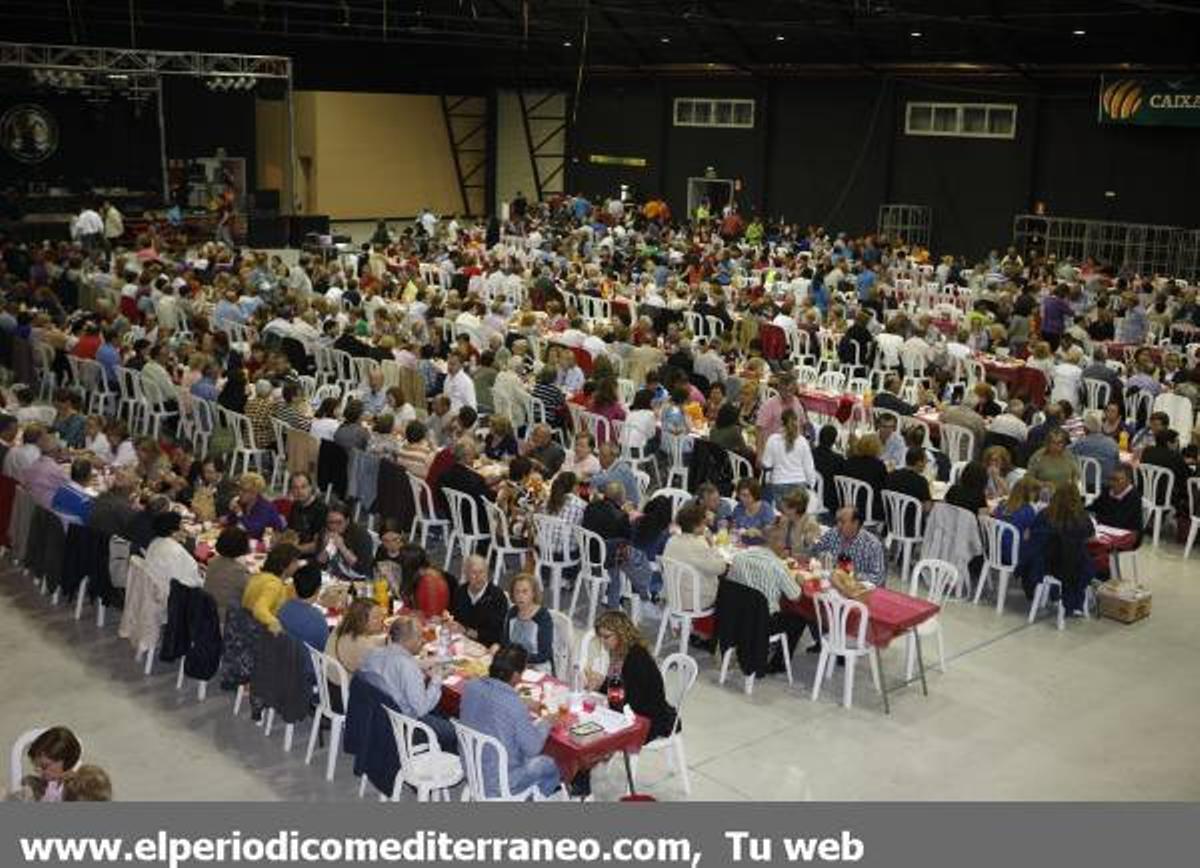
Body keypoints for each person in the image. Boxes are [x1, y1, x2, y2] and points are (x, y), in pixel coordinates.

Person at [459, 644, 561, 798]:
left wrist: (522, 703)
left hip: (472, 768)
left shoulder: (471, 685)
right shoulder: (513, 704)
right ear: (514, 676)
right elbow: (533, 748)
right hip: (500, 780)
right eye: (522, 671)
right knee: (548, 764)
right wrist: (546, 721)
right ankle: (530, 799)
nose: (522, 676)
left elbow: (491, 704)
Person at [358, 617, 456, 751]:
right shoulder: (408, 667)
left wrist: (426, 663)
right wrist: (437, 678)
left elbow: (394, 665)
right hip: (406, 726)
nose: (423, 641)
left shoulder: (374, 653)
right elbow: (421, 709)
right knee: (456, 733)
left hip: (378, 717)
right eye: (420, 637)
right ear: (409, 640)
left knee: (440, 712)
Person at [585, 610, 677, 742]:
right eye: (600, 636)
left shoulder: (636, 658)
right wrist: (600, 683)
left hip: (647, 719)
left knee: (595, 731)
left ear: (620, 634)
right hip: (635, 708)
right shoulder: (621, 651)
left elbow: (630, 700)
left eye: (606, 637)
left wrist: (602, 685)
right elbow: (620, 688)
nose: (602, 641)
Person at [726, 525, 810, 664]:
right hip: (762, 621)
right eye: (783, 542)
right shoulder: (777, 565)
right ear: (775, 542)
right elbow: (795, 597)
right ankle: (777, 663)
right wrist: (799, 582)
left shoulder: (739, 557)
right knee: (799, 619)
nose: (786, 546)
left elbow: (730, 583)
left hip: (737, 617)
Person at [1025, 483, 1096, 616]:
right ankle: (1079, 600)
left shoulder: (1045, 514)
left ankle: (1054, 594)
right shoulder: (1082, 517)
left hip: (1048, 564)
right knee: (1087, 558)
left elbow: (1029, 535)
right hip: (1075, 565)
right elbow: (1091, 539)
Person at [662, 502, 728, 607]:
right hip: (694, 600)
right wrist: (713, 546)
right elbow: (721, 568)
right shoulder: (698, 545)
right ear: (696, 526)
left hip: (672, 595)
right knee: (727, 588)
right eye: (704, 523)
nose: (706, 526)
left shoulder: (672, 540)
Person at [809, 507, 886, 586]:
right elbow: (815, 550)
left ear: (855, 523)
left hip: (858, 589)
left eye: (842, 522)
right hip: (834, 584)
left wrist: (855, 575)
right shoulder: (833, 533)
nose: (838, 525)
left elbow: (878, 578)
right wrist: (811, 540)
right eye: (838, 521)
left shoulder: (872, 545)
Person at [277, 562, 330, 672]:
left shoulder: (282, 609)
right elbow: (326, 650)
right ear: (318, 589)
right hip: (309, 673)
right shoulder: (318, 619)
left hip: (282, 666)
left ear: (294, 587)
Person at [448, 554, 508, 647]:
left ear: (487, 573)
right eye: (474, 573)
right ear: (466, 574)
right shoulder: (460, 592)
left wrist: (468, 631)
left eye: (482, 572)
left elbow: (498, 634)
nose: (478, 577)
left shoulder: (497, 597)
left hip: (487, 647)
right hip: (461, 643)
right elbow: (453, 616)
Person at [243, 543, 302, 633]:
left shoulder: (260, 577)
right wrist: (279, 628)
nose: (298, 565)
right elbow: (259, 609)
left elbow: (278, 594)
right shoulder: (274, 584)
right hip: (261, 633)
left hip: (248, 627)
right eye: (295, 562)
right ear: (284, 565)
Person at [761, 408, 817, 503]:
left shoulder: (773, 439)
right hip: (799, 484)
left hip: (778, 483)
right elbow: (809, 467)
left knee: (782, 513)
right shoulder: (803, 441)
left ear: (781, 422)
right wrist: (811, 485)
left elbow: (767, 464)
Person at [11, 726, 81, 801]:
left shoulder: (78, 788)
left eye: (44, 767)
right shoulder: (33, 786)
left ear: (66, 761)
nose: (39, 772)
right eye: (36, 766)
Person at [502, 573, 554, 672]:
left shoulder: (543, 617)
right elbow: (505, 641)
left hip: (538, 666)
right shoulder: (512, 612)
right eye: (517, 592)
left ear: (533, 593)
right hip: (513, 663)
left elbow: (544, 654)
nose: (520, 596)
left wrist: (520, 659)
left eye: (525, 592)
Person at [324, 598, 386, 675]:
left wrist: (385, 639)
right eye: (375, 618)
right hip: (344, 683)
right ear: (361, 620)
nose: (382, 619)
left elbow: (370, 640)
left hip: (329, 676)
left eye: (381, 615)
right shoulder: (365, 646)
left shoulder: (342, 627)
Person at [143, 511, 204, 589]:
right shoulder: (175, 550)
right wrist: (201, 574)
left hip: (156, 587)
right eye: (181, 525)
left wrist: (193, 566)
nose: (184, 528)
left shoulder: (155, 542)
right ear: (173, 531)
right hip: (172, 593)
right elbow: (192, 583)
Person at [316, 500, 375, 580]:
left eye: (339, 522)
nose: (334, 526)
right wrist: (325, 547)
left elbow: (362, 569)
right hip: (335, 577)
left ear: (347, 521)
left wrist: (342, 547)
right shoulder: (325, 532)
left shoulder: (361, 536)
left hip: (359, 579)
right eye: (331, 522)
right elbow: (320, 563)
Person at [1087, 464, 1143, 549]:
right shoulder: (1108, 490)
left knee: (1091, 544)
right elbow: (1095, 506)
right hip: (1106, 529)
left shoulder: (1134, 497)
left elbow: (1119, 521)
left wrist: (1096, 518)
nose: (1112, 483)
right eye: (1111, 479)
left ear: (1128, 481)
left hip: (1127, 535)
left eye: (1116, 480)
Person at [204, 526, 252, 616]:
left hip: (207, 612)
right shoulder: (239, 572)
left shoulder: (212, 562)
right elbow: (250, 596)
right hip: (226, 618)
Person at [884, 447, 933, 534]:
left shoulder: (891, 475)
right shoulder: (921, 481)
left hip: (891, 523)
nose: (926, 464)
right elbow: (927, 508)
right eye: (925, 461)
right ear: (919, 463)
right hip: (912, 527)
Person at [224, 471, 285, 540]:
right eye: (240, 489)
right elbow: (231, 524)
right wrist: (232, 512)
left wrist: (239, 513)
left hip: (268, 544)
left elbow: (254, 531)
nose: (240, 493)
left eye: (244, 491)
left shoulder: (265, 508)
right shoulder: (242, 503)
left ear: (254, 493)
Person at [842, 432, 888, 520]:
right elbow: (883, 487)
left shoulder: (849, 462)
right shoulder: (878, 466)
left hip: (849, 504)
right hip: (869, 508)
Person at [1070, 410, 1120, 482]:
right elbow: (1117, 464)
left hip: (1085, 485)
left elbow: (1065, 452)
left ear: (1085, 429)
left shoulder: (1080, 443)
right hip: (1108, 486)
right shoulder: (1112, 443)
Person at [285, 472, 327, 555]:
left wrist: (293, 550)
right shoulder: (295, 505)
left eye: (303, 487)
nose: (299, 491)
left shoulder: (321, 510)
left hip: (312, 558)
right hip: (295, 552)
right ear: (291, 490)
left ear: (311, 488)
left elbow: (318, 545)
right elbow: (291, 532)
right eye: (295, 488)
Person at [589, 441, 639, 506]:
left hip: (628, 506)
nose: (600, 459)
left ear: (613, 457)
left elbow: (599, 480)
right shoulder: (606, 467)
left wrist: (589, 479)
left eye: (604, 456)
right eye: (599, 455)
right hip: (613, 503)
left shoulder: (622, 469)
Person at [776, 488, 823, 555]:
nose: (781, 508)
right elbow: (780, 543)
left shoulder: (810, 524)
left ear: (795, 508)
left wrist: (790, 553)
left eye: (784, 506)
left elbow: (813, 551)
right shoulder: (786, 520)